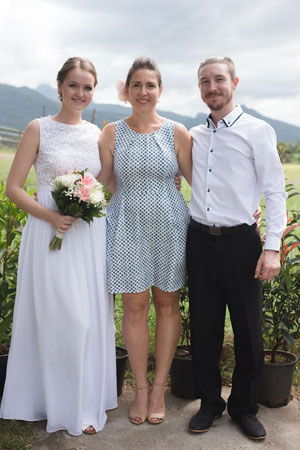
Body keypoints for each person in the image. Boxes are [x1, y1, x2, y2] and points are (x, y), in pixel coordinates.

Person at [0, 57, 117, 435]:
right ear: (60, 87)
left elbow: (106, 181)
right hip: (49, 229)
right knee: (56, 315)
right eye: (74, 85)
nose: (80, 93)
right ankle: (50, 402)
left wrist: (90, 201)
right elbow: (13, 188)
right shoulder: (39, 128)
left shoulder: (96, 134)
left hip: (87, 234)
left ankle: (83, 403)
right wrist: (51, 217)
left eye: (87, 87)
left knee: (85, 318)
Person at [187, 56, 287, 440]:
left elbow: (275, 191)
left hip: (242, 243)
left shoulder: (257, 130)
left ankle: (244, 407)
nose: (212, 87)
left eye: (219, 80)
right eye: (205, 82)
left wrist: (273, 248)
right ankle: (210, 402)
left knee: (247, 329)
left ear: (234, 82)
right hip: (198, 240)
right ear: (199, 88)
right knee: (205, 327)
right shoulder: (193, 134)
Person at [99, 57, 192, 425]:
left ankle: (159, 388)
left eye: (150, 85)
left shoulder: (177, 133)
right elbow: (103, 179)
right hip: (126, 227)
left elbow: (199, 184)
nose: (143, 92)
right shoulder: (110, 132)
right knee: (134, 308)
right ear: (127, 89)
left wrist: (247, 209)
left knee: (167, 306)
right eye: (136, 85)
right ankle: (139, 388)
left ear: (160, 90)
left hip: (170, 227)